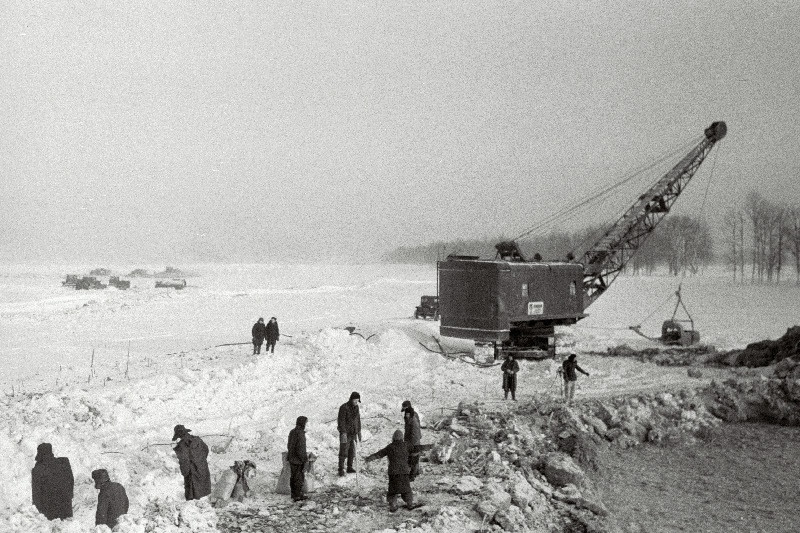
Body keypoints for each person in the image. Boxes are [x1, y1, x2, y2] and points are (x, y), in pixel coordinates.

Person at [364, 430, 428, 512]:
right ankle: (410, 504)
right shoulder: (406, 445)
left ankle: (393, 505)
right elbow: (417, 448)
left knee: (392, 490)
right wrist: (430, 446)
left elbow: (379, 454)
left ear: (393, 438)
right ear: (402, 438)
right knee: (406, 489)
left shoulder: (390, 447)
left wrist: (368, 458)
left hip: (393, 472)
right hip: (404, 471)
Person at [31, 443, 74, 520]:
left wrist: (38, 511)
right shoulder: (64, 462)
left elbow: (36, 493)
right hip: (66, 508)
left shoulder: (37, 470)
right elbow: (71, 481)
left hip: (49, 512)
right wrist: (69, 497)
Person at [172, 424, 211, 500]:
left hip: (193, 474)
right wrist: (201, 461)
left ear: (178, 435)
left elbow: (184, 462)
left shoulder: (181, 446)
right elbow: (206, 450)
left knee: (193, 497)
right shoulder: (198, 440)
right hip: (203, 469)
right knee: (204, 494)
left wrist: (185, 473)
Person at [337, 391, 362, 476]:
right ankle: (341, 469)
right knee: (343, 451)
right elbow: (341, 421)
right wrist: (343, 432)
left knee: (352, 451)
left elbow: (358, 420)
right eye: (355, 401)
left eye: (357, 401)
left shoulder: (356, 407)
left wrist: (359, 431)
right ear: (351, 399)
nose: (356, 402)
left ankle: (349, 467)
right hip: (346, 434)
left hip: (353, 433)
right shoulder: (344, 407)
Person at [287, 416, 308, 501]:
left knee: (293, 476)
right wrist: (304, 460)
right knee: (299, 477)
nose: (306, 424)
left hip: (291, 458)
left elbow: (289, 445)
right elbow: (301, 448)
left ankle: (293, 494)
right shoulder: (300, 433)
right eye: (306, 423)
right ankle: (297, 495)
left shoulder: (292, 431)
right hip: (298, 459)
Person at [401, 400, 422, 481]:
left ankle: (412, 476)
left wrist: (411, 443)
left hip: (413, 440)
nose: (405, 415)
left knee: (413, 456)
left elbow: (415, 431)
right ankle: (415, 472)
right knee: (413, 456)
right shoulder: (412, 415)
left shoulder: (412, 419)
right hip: (412, 439)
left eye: (406, 414)